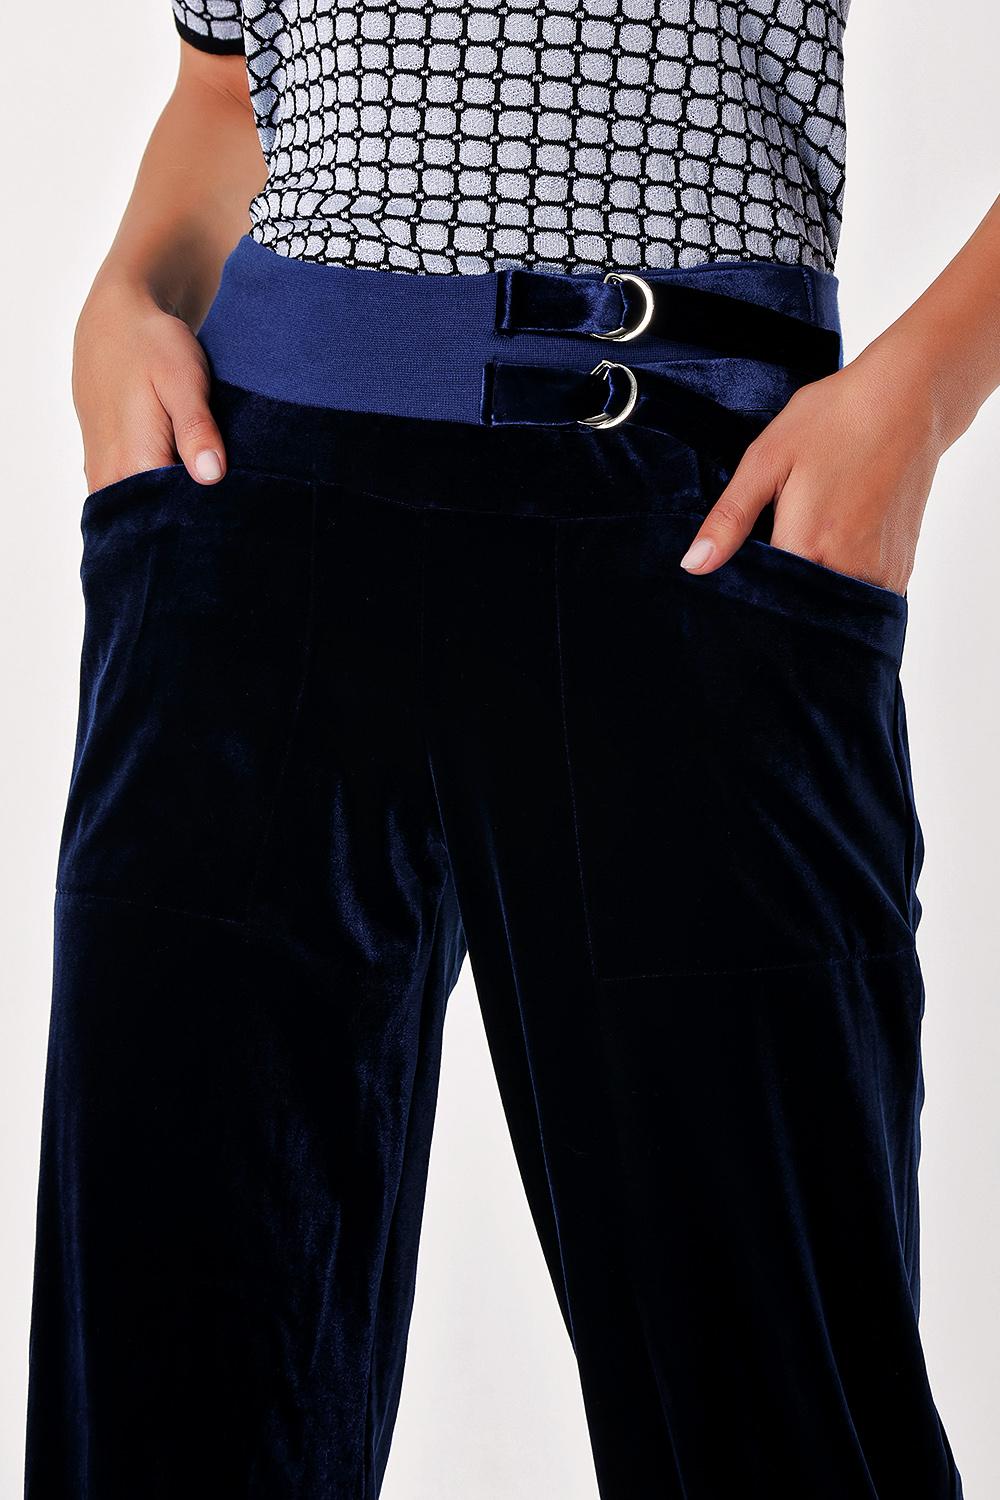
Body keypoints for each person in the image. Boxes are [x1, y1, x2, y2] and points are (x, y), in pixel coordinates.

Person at [25, 2, 998, 1497]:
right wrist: (125, 291)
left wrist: (920, 398)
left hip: (693, 530)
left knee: (779, 1395)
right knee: (167, 1396)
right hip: (244, 522)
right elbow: (224, 92)